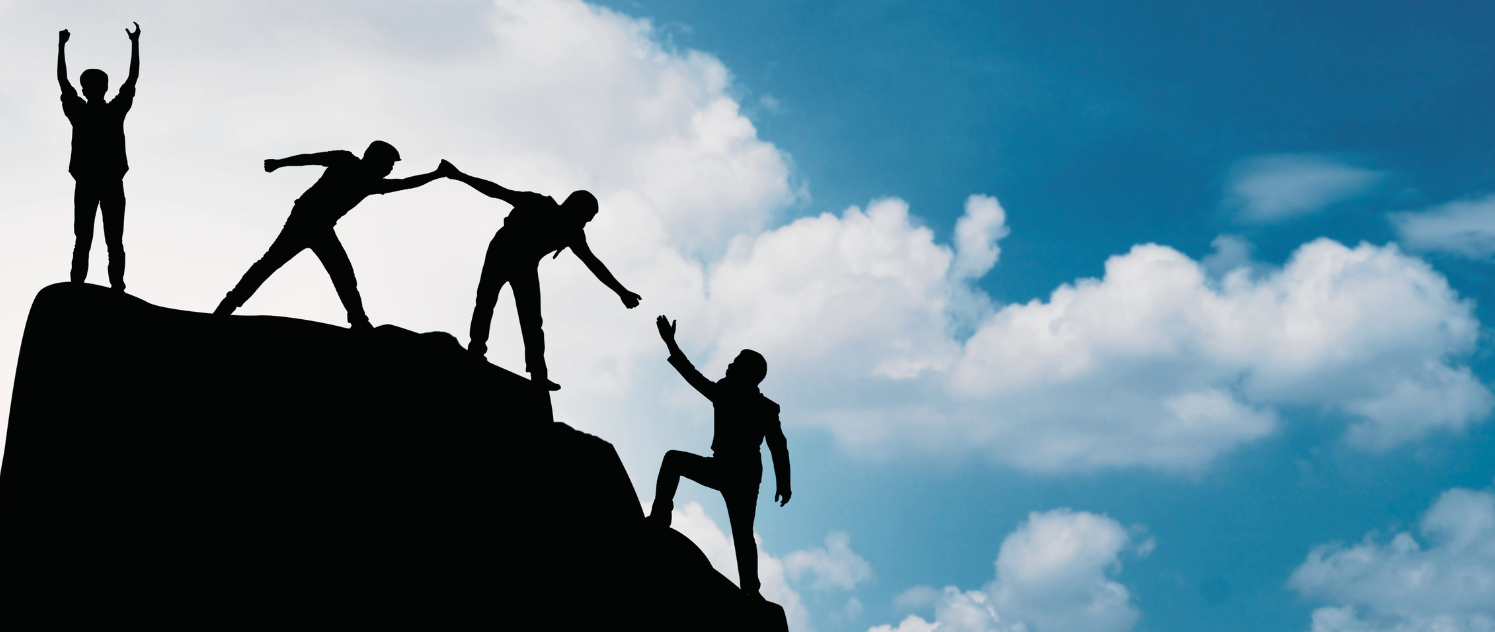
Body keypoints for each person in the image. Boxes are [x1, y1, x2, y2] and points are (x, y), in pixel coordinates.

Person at [439, 160, 640, 391]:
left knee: (532, 320)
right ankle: (476, 349)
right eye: (585, 216)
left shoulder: (573, 233)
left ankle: (538, 374)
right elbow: (497, 191)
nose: (585, 223)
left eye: (588, 220)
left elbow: (593, 263)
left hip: (525, 265)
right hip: (502, 252)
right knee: (486, 300)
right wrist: (459, 176)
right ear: (574, 207)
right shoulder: (538, 203)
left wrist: (621, 292)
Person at [213, 141, 443, 329]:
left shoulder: (370, 183)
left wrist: (436, 174)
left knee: (340, 272)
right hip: (304, 221)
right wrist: (279, 163)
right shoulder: (345, 160)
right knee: (271, 264)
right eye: (389, 163)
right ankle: (228, 306)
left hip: (321, 227)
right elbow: (309, 158)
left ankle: (359, 320)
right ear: (375, 158)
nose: (390, 169)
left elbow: (405, 184)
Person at [648, 315, 790, 599]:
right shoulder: (724, 392)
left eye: (736, 363)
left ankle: (751, 589)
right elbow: (692, 375)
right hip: (721, 466)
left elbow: (778, 446)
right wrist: (670, 343)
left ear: (748, 374)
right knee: (673, 460)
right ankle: (660, 518)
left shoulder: (764, 408)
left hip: (745, 475)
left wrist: (784, 483)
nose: (729, 364)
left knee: (743, 533)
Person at [58, 23, 140, 291]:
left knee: (95, 239)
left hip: (100, 181)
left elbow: (63, 81)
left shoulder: (90, 111)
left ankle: (107, 285)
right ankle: (104, 285)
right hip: (98, 181)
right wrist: (135, 44)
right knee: (100, 240)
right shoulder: (106, 111)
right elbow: (131, 80)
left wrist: (61, 47)